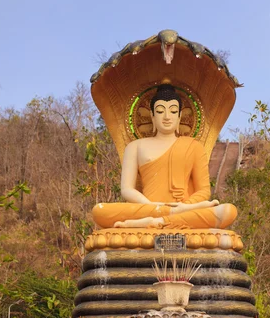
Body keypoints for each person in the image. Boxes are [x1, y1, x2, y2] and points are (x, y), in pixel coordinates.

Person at [91, 84, 237, 229]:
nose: (167, 117)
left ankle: (158, 222)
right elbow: (127, 190)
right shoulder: (135, 147)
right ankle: (171, 215)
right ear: (152, 116)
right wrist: (157, 207)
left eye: (173, 111)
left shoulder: (194, 146)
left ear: (180, 116)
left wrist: (185, 205)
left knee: (228, 211)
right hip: (150, 208)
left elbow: (204, 191)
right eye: (160, 111)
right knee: (100, 211)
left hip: (183, 208)